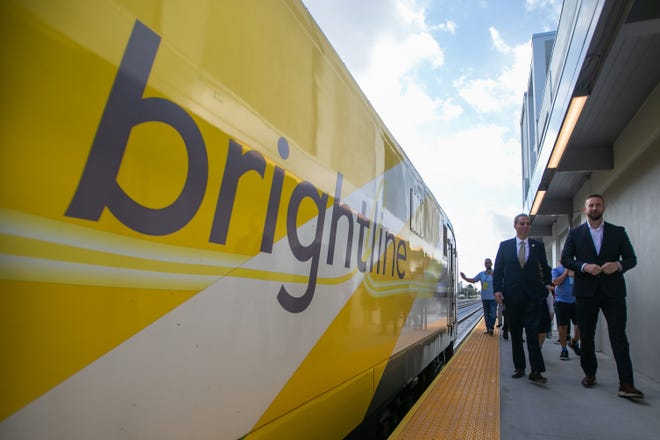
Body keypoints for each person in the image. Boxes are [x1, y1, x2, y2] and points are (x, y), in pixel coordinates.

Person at [561, 194, 643, 398]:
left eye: (598, 204)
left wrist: (618, 265)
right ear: (585, 209)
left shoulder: (618, 232)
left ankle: (626, 383)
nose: (594, 208)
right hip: (585, 292)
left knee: (619, 336)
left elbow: (631, 259)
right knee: (587, 336)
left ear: (603, 207)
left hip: (613, 292)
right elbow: (566, 259)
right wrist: (583, 266)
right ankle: (590, 374)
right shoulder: (575, 233)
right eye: (591, 205)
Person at [494, 214, 553, 385]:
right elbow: (498, 270)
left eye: (528, 224)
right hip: (512, 297)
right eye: (522, 223)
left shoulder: (538, 246)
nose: (525, 226)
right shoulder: (505, 246)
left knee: (533, 334)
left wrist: (547, 284)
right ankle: (519, 367)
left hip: (533, 296)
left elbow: (546, 268)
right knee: (516, 333)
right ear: (515, 225)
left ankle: (536, 371)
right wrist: (497, 289)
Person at [551, 261, 581, 360]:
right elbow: (556, 282)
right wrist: (566, 272)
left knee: (581, 324)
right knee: (563, 326)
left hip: (576, 300)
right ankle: (564, 349)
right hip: (561, 301)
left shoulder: (577, 269)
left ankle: (574, 342)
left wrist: (575, 275)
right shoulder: (556, 270)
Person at [460, 258, 497, 335]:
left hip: (493, 298)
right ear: (484, 264)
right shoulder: (481, 274)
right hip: (484, 298)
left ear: (491, 264)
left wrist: (492, 274)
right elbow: (473, 280)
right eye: (486, 263)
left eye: (489, 263)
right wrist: (465, 278)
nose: (487, 264)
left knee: (493, 314)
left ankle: (491, 327)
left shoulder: (495, 273)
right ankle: (488, 329)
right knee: (486, 314)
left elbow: (500, 280)